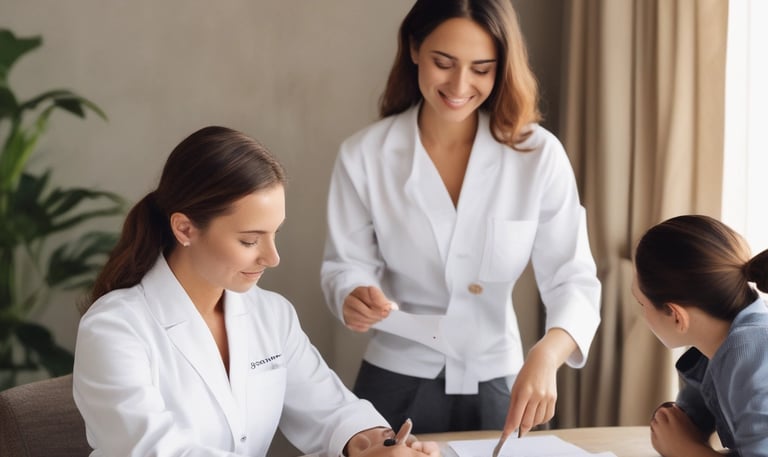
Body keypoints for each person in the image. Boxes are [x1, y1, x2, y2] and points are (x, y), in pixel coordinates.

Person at [320, 0, 601, 436]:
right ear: (414, 48)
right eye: (443, 63)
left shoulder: (538, 155)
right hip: (395, 375)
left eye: (481, 69)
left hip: (502, 377)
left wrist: (547, 355)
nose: (459, 84)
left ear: (501, 68)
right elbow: (346, 264)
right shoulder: (364, 156)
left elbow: (573, 278)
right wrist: (352, 293)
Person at [72, 126, 440, 457]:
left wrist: (377, 445)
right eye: (250, 240)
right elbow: (154, 450)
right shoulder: (115, 328)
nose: (272, 257)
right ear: (184, 229)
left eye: (274, 233)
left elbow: (332, 411)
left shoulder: (271, 315)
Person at [633, 215, 768, 457]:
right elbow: (689, 420)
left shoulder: (751, 356)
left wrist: (685, 449)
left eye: (641, 304)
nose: (642, 314)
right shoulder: (715, 347)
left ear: (676, 316)